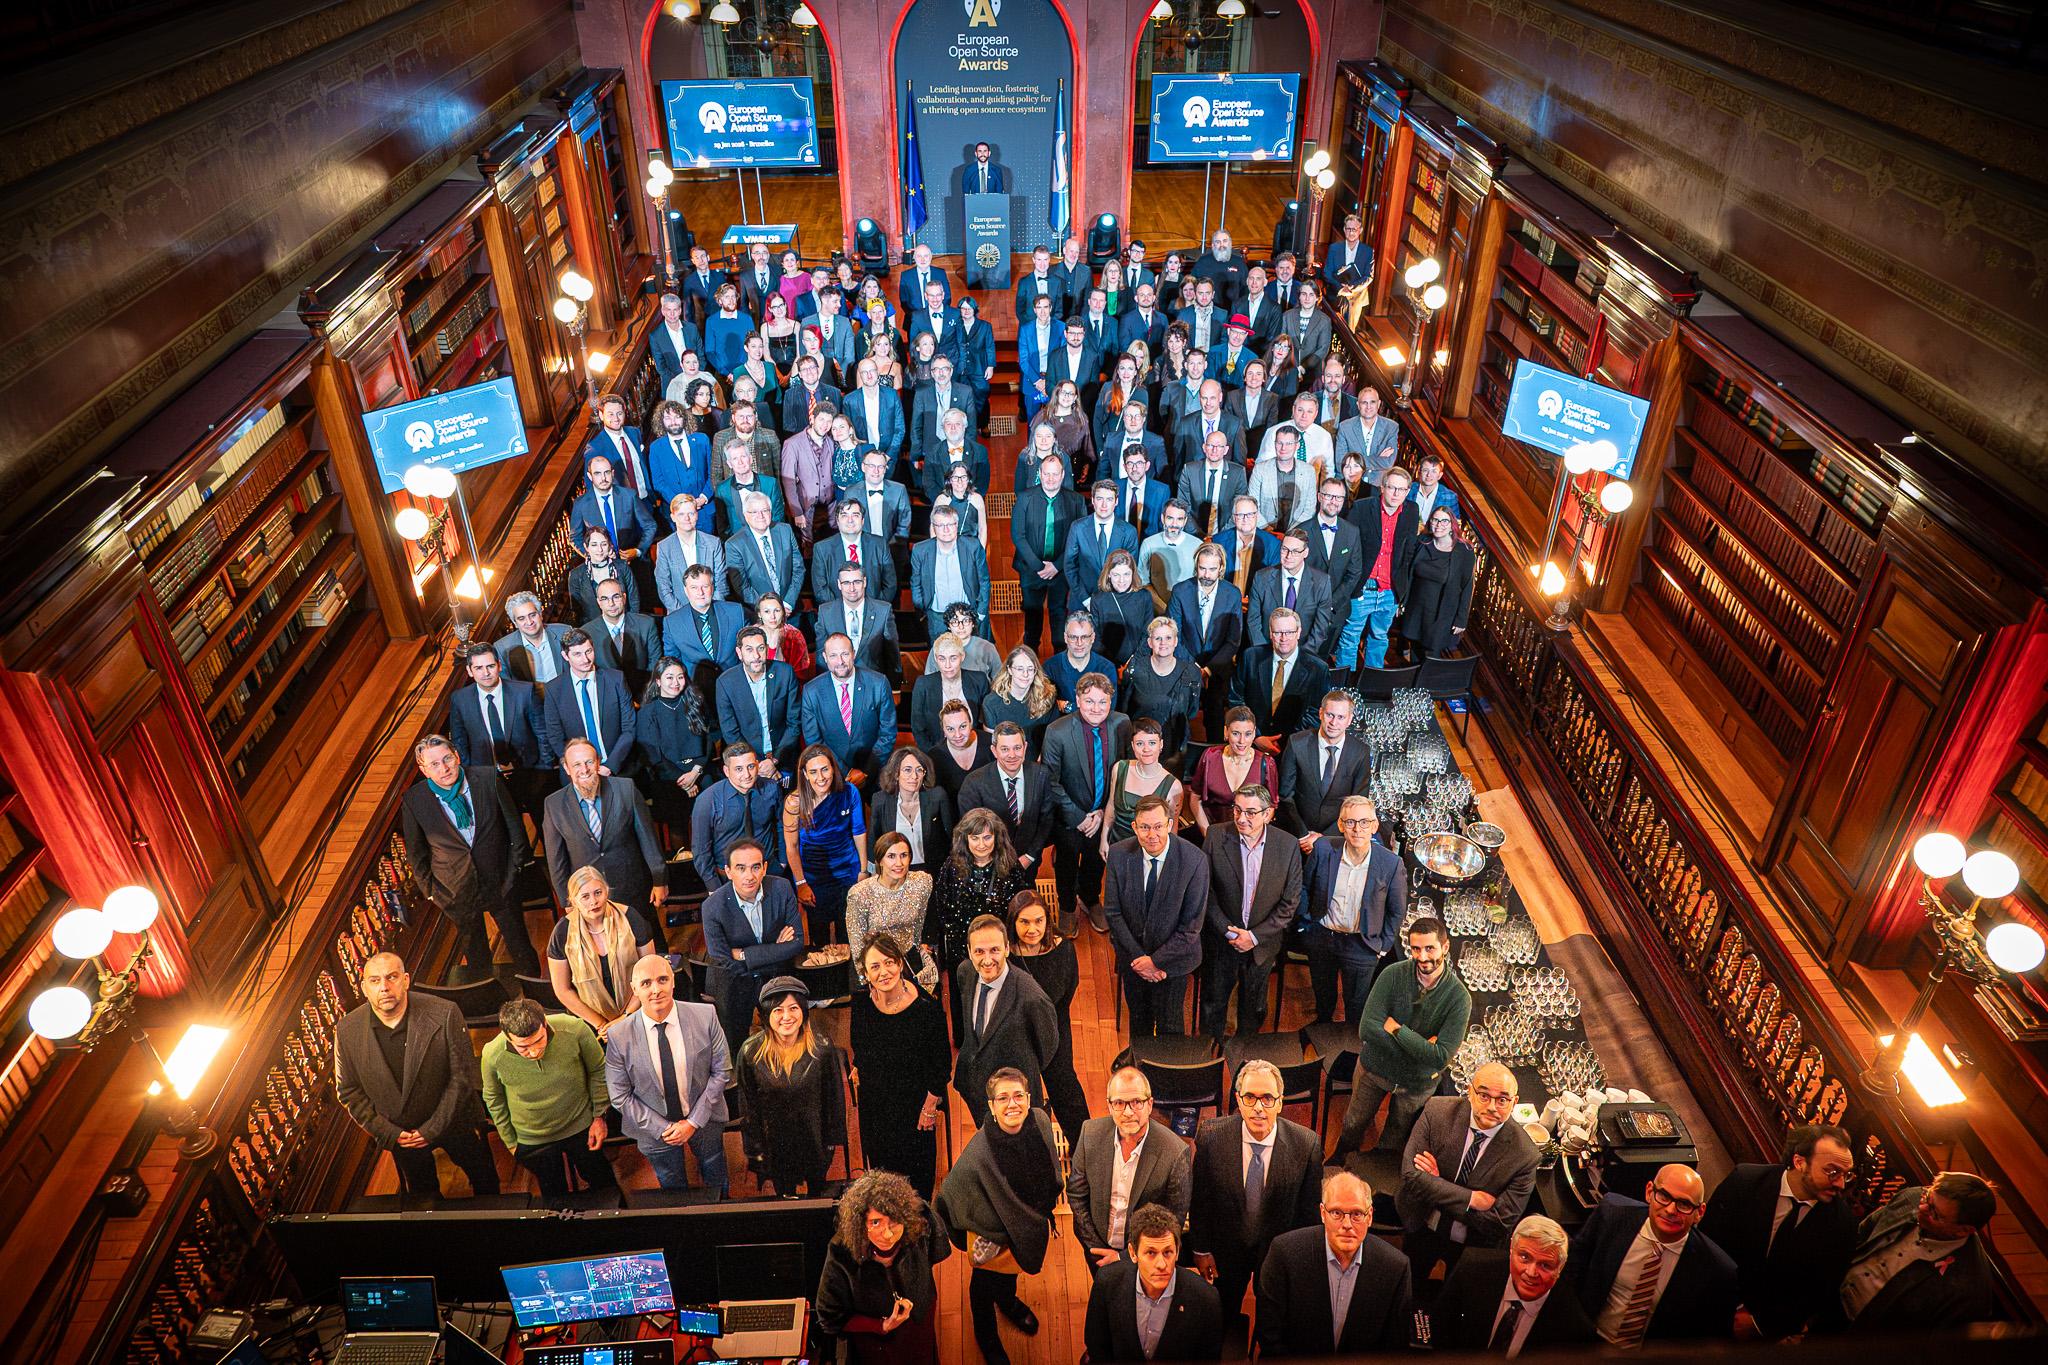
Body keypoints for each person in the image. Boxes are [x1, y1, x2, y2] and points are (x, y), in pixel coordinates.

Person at [335, 952, 500, 1199]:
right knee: (422, 1195)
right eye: (375, 980)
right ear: (364, 988)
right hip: (401, 1134)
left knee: (484, 1179)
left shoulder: (445, 1012)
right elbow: (348, 1091)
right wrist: (390, 1133)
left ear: (406, 980)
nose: (384, 987)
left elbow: (462, 1077)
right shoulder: (347, 1030)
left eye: (392, 977)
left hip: (453, 1120)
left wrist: (431, 1130)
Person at [1186, 1060, 1324, 1351]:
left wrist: (1299, 1264)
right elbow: (1201, 1199)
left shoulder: (1306, 1144)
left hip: (1276, 1256)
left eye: (1267, 1098)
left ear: (1280, 1102)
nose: (1259, 1108)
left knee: (1273, 1325)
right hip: (1225, 1252)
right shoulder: (1211, 1136)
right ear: (1238, 1100)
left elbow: (1308, 1214)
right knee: (1222, 1318)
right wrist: (1201, 1249)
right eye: (1250, 1097)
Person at [936, 1067, 1061, 1365]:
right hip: (996, 1238)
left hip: (1026, 1227)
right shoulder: (979, 1153)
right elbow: (948, 1199)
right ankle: (986, 1335)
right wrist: (990, 1231)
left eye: (1018, 1096)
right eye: (1002, 1098)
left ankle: (1007, 1302)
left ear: (1029, 1099)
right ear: (991, 1107)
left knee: (1010, 1274)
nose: (1012, 1104)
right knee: (984, 1283)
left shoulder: (1041, 1121)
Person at [1698, 1123, 1859, 1340]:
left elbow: (1819, 1293)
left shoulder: (1843, 1224)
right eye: (1832, 1172)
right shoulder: (1745, 1181)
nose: (1840, 1184)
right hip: (1709, 1303)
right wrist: (1730, 1306)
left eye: (1846, 1175)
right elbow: (1708, 1243)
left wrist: (1759, 1324)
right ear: (1800, 1162)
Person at [400, 734, 539, 980]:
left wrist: (512, 872)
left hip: (500, 881)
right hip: (455, 890)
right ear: (423, 770)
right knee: (476, 960)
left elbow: (515, 828)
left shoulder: (488, 778)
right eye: (434, 764)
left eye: (447, 759)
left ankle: (535, 994)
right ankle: (489, 998)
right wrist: (431, 891)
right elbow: (416, 852)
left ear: (457, 756)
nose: (444, 768)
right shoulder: (414, 800)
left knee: (521, 948)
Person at [1336, 915, 1471, 1156]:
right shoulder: (1392, 974)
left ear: (1445, 947)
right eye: (1416, 949)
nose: (1422, 956)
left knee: (1396, 1137)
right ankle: (1342, 1157)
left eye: (1430, 948)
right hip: (1374, 1070)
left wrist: (1398, 1030)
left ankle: (1378, 1173)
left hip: (1416, 1085)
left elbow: (1441, 1057)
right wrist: (1422, 1050)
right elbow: (1367, 1028)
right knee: (1354, 1122)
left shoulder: (1459, 998)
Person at [1567, 1165, 1740, 1346]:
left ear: (1700, 1212)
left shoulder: (1718, 1270)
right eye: (1664, 1196)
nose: (1671, 1210)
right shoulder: (1611, 1215)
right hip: (1585, 1342)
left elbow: (1709, 1341)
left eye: (1684, 1204)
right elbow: (1572, 1272)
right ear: (1649, 1192)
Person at [1399, 1062, 1541, 1281]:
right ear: (1470, 1092)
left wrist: (1436, 1183)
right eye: (1484, 1096)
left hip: (1473, 1243)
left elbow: (1500, 1222)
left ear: (1514, 1102)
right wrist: (1472, 1199)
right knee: (1411, 1282)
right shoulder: (1437, 1111)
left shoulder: (1526, 1156)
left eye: (1502, 1100)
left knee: (1456, 1295)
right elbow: (1411, 1176)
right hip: (1420, 1222)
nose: (1492, 1106)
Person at [603, 954, 731, 1194]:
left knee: (715, 1171)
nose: (656, 990)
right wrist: (662, 1128)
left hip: (704, 1118)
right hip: (652, 1130)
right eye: (646, 983)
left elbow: (721, 1071)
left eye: (662, 980)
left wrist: (692, 1122)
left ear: (673, 981)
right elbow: (619, 1095)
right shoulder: (619, 1036)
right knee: (671, 1185)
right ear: (634, 990)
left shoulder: (706, 1015)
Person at [1254, 1169, 1412, 1357]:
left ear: (1369, 1217)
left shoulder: (1396, 1268)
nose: (1347, 1224)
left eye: (1357, 1214)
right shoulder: (1284, 1254)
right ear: (1323, 1213)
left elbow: (1394, 1348)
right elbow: (1270, 1336)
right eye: (1336, 1213)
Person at [480, 998, 615, 1200]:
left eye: (539, 1040)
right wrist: (511, 1142)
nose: (534, 1051)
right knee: (554, 1196)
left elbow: (598, 1070)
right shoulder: (492, 1054)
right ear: (507, 1037)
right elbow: (493, 1098)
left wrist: (599, 1116)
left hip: (581, 1125)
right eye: (524, 1047)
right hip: (532, 1137)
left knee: (605, 1186)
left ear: (545, 1023)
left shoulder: (575, 1029)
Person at [1832, 1173, 1999, 1334]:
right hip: (1833, 1292)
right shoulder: (1912, 1197)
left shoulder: (1968, 1289)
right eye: (1927, 1197)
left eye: (1934, 1213)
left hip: (1858, 1335)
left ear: (1963, 1231)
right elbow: (1864, 1232)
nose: (1922, 1207)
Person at [849, 933, 951, 1197]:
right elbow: (859, 1047)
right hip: (876, 1110)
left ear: (900, 963)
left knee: (918, 1192)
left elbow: (941, 1065)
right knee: (883, 1188)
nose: (883, 972)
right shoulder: (860, 1005)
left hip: (915, 1110)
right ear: (866, 974)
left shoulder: (927, 1009)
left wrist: (929, 1108)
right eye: (875, 966)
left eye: (889, 963)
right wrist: (859, 1067)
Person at [815, 1169, 952, 1364]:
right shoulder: (841, 1251)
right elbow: (829, 1317)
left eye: (894, 1221)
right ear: (860, 1223)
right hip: (873, 1345)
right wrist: (882, 1325)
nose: (887, 1235)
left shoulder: (920, 1228)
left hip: (917, 1330)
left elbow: (936, 1253)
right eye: (875, 1222)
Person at [1067, 1068, 1194, 1276]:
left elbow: (1173, 1222)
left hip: (1144, 1256)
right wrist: (1096, 1248)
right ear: (1109, 1105)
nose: (1128, 1112)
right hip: (1096, 1250)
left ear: (1150, 1104)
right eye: (1119, 1103)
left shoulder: (1175, 1153)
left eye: (1136, 1102)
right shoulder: (1089, 1133)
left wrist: (1124, 1257)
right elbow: (1076, 1195)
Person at [1200, 782, 1302, 1039]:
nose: (1241, 818)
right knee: (1213, 1005)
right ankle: (1210, 1052)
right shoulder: (1216, 836)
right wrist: (1229, 932)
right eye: (1237, 810)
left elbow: (1289, 902)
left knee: (1253, 1008)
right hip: (1223, 940)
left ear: (1268, 814)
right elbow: (1206, 892)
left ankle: (1244, 1052)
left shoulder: (1287, 845)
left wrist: (1254, 937)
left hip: (1262, 944)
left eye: (1250, 812)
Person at [1103, 797, 1205, 1037]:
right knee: (1139, 1025)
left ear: (1169, 824)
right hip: (1134, 960)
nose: (1152, 835)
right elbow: (1113, 913)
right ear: (1134, 827)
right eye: (1145, 827)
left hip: (1174, 962)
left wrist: (1155, 962)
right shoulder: (1118, 854)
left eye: (1158, 826)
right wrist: (1140, 960)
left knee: (1171, 1028)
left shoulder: (1194, 860)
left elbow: (1191, 927)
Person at [1297, 796, 1404, 1025]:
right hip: (1323, 937)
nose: (1357, 829)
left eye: (1364, 822)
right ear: (1340, 825)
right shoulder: (1323, 848)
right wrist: (1306, 923)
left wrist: (1382, 946)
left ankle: (1350, 1043)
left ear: (1374, 826)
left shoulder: (1391, 863)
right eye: (1350, 822)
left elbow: (1396, 911)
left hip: (1362, 944)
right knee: (1323, 997)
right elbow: (1304, 887)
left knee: (1356, 1007)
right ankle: (1323, 1034)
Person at [541, 739, 666, 934]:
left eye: (589, 762)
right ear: (567, 769)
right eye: (576, 764)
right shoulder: (553, 805)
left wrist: (660, 880)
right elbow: (556, 860)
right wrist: (567, 900)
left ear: (598, 762)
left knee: (649, 941)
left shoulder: (625, 789)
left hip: (633, 887)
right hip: (588, 898)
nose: (584, 769)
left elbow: (648, 839)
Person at [735, 976, 845, 1196]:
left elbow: (834, 1101)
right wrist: (754, 1150)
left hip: (814, 1143)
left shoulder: (822, 1048)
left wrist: (831, 1144)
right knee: (786, 1198)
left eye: (793, 1008)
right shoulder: (750, 1052)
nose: (787, 1017)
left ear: (803, 1010)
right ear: (767, 1014)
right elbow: (748, 1108)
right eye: (778, 1010)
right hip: (775, 1148)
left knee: (817, 1197)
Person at [1429, 1215, 1597, 1356]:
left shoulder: (1574, 1330)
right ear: (1511, 1249)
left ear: (1559, 1269)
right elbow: (1439, 1330)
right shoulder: (1471, 1269)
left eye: (1545, 1265)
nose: (1531, 1272)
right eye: (1524, 1257)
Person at [701, 837, 807, 1058]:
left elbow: (797, 942)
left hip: (775, 974)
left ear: (764, 868)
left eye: (755, 867)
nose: (749, 876)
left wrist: (744, 954)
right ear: (728, 872)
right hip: (733, 979)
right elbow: (722, 959)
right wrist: (774, 949)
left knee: (790, 1038)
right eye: (741, 868)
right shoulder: (712, 906)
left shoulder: (782, 888)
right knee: (735, 1047)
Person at [950, 915, 1059, 1128]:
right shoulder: (966, 972)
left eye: (994, 950)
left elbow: (1047, 1049)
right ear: (969, 952)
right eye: (979, 951)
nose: (987, 960)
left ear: (1007, 949)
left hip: (1013, 1103)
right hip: (976, 1090)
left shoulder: (1032, 997)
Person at [1043, 673, 1128, 933]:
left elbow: (1124, 771)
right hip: (1069, 816)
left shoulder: (1122, 724)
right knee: (1067, 862)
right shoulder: (1057, 731)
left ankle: (1090, 899)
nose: (1096, 708)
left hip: (1104, 812)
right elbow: (1050, 780)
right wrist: (1079, 817)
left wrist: (1103, 813)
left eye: (1103, 702)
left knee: (1096, 860)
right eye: (1089, 701)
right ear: (1078, 700)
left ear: (1111, 701)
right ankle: (1067, 906)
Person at [1084, 1203, 1223, 1362]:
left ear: (1177, 1252)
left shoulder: (1205, 1298)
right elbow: (1097, 1346)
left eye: (1167, 1252)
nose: (1161, 1264)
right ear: (1133, 1253)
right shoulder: (1107, 1282)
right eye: (1151, 1253)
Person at [1005, 889, 1089, 1143]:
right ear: (1013, 922)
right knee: (1021, 1092)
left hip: (1054, 1026)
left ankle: (1083, 1147)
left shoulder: (1064, 950)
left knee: (1065, 1087)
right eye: (1024, 922)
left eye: (1038, 921)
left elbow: (1068, 991)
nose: (1032, 929)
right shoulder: (1006, 955)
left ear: (1047, 920)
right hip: (1017, 1032)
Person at [546, 866, 658, 1041]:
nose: (594, 901)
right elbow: (562, 990)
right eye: (585, 896)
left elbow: (650, 973)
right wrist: (601, 1025)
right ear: (573, 900)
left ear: (607, 891)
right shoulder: (562, 933)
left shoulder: (631, 918)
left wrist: (626, 1017)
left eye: (598, 893)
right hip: (592, 1024)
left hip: (637, 1012)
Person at [447, 642, 553, 818]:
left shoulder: (524, 692)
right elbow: (459, 741)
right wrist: (472, 775)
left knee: (543, 823)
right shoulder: (460, 699)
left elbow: (543, 734)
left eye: (490, 666)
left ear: (499, 666)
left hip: (529, 773)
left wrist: (543, 771)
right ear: (469, 671)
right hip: (487, 779)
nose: (486, 673)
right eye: (479, 668)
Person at [931, 809, 1035, 980]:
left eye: (987, 837)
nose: (981, 844)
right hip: (962, 951)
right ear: (965, 838)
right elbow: (942, 908)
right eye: (975, 838)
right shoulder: (951, 866)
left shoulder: (1011, 866)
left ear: (997, 837)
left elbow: (1020, 909)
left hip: (999, 951)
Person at [783, 743, 868, 943]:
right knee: (819, 938)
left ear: (833, 769)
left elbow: (859, 832)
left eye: (825, 769)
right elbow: (791, 847)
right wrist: (801, 883)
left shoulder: (849, 792)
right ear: (805, 774)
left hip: (848, 871)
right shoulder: (794, 802)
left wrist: (863, 870)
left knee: (850, 935)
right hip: (814, 877)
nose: (820, 777)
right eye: (813, 772)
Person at [1168, 543, 1246, 740]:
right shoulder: (1180, 591)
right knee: (1178, 720)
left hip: (1218, 668)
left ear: (1221, 568)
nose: (1206, 574)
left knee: (1216, 718)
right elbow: (1172, 635)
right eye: (1202, 568)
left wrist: (1208, 670)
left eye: (1212, 569)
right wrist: (1194, 668)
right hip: (1185, 664)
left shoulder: (1232, 594)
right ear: (1196, 566)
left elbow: (1233, 640)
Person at [958, 723, 1054, 880]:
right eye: (1005, 749)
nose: (1012, 755)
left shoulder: (1041, 775)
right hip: (988, 864)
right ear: (994, 750)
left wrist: (1030, 856)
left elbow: (1046, 820)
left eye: (1017, 748)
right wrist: (992, 861)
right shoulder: (974, 782)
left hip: (1028, 862)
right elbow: (970, 829)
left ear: (1025, 747)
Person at [1010, 453, 1085, 652]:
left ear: (1062, 475)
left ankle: (1059, 661)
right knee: (1032, 620)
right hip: (1031, 569)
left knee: (1059, 616)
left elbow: (1078, 539)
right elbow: (1018, 535)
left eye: (1055, 474)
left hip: (1061, 571)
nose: (1050, 479)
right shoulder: (1024, 498)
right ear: (1040, 474)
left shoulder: (1076, 501)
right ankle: (1030, 660)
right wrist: (1039, 566)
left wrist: (1056, 566)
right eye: (1046, 474)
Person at [848, 830, 939, 990]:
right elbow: (857, 945)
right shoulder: (860, 893)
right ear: (879, 860)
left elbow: (920, 924)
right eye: (891, 856)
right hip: (876, 965)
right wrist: (866, 980)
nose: (899, 863)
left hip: (909, 961)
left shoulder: (922, 883)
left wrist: (920, 950)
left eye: (904, 855)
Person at [800, 634, 897, 786]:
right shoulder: (811, 691)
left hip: (875, 773)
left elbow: (888, 732)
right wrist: (846, 772)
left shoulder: (878, 683)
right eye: (833, 655)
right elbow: (814, 740)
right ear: (825, 657)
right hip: (833, 776)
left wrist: (866, 772)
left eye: (845, 654)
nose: (840, 661)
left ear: (853, 653)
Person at [540, 629, 637, 776]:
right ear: (565, 656)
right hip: (579, 774)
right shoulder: (554, 689)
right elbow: (555, 737)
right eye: (577, 654)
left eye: (588, 651)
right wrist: (580, 768)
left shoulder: (616, 680)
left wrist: (610, 765)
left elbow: (629, 727)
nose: (585, 659)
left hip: (618, 767)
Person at [692, 737, 786, 886]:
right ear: (726, 771)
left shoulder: (771, 788)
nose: (747, 775)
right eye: (739, 769)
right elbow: (701, 848)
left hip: (768, 869)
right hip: (728, 877)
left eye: (751, 766)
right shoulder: (707, 800)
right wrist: (713, 886)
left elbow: (783, 826)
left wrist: (783, 861)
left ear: (757, 764)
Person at [1279, 692, 1370, 846]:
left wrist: (1324, 838)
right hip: (1297, 836)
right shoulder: (1296, 743)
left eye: (1341, 717)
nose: (1334, 722)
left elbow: (1358, 803)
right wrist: (1303, 835)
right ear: (1321, 713)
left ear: (1349, 720)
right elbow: (1285, 795)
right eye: (1330, 715)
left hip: (1335, 839)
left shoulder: (1361, 752)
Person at [637, 658, 712, 840]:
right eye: (669, 677)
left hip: (699, 770)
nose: (675, 683)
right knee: (674, 805)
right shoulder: (647, 712)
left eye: (680, 677)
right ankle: (682, 854)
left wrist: (695, 772)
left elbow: (709, 741)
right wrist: (684, 781)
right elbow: (653, 756)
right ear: (658, 681)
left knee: (712, 796)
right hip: (668, 776)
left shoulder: (695, 703)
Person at [715, 626, 802, 775]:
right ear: (739, 653)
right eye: (749, 649)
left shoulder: (785, 673)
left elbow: (794, 722)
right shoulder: (726, 682)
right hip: (747, 763)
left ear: (767, 649)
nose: (756, 655)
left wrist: (774, 760)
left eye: (760, 648)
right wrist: (754, 763)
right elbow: (730, 731)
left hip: (784, 756)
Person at [1232, 608, 1330, 739]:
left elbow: (1317, 712)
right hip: (1251, 740)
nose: (1284, 638)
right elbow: (1236, 699)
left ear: (1298, 633)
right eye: (1278, 632)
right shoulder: (1250, 657)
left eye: (1289, 632)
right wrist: (1255, 736)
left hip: (1294, 743)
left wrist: (1288, 742)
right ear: (1270, 633)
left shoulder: (1317, 668)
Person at [1189, 708, 1279, 838]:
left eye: (1248, 734)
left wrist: (1252, 836)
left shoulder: (1266, 763)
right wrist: (1209, 835)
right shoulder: (1210, 756)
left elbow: (1271, 806)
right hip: (1213, 831)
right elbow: (1195, 798)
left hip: (1250, 836)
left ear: (1254, 733)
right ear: (1226, 732)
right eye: (1236, 733)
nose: (1242, 741)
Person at [1246, 529, 1335, 657]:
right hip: (1266, 649)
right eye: (1285, 549)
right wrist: (1263, 653)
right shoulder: (1261, 578)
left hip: (1303, 652)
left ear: (1305, 553)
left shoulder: (1321, 582)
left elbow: (1320, 628)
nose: (1288, 556)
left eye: (1295, 551)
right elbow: (1253, 621)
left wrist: (1300, 657)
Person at [1099, 719, 1185, 849]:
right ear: (1133, 746)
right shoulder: (1119, 768)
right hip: (1116, 845)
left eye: (1152, 743)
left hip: (1150, 850)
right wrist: (1103, 840)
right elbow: (1111, 806)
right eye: (1140, 743)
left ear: (1161, 745)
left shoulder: (1173, 786)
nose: (1146, 749)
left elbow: (1172, 829)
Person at [1403, 506, 1476, 658]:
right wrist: (1403, 600)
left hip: (1441, 613)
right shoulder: (1423, 541)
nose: (1438, 525)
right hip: (1417, 609)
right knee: (1415, 650)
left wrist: (1461, 619)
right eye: (1435, 520)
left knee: (1431, 655)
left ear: (1452, 525)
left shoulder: (1464, 551)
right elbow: (1409, 572)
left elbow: (1467, 586)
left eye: (1444, 521)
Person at [868, 752, 953, 882]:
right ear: (896, 774)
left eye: (919, 770)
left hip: (933, 873)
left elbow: (951, 836)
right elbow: (874, 839)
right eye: (907, 770)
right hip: (895, 872)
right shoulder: (880, 800)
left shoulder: (937, 796)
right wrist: (871, 873)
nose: (914, 776)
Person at [911, 505, 991, 642]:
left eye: (950, 524)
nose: (946, 530)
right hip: (937, 617)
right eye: (940, 525)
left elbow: (984, 581)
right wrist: (921, 604)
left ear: (957, 525)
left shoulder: (973, 547)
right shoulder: (920, 550)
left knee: (974, 653)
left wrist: (981, 612)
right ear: (933, 527)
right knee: (941, 653)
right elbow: (915, 582)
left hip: (969, 614)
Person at [819, 562, 902, 689]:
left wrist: (895, 688)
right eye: (846, 583)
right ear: (839, 584)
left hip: (874, 685)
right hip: (838, 686)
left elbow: (893, 655)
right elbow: (821, 656)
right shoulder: (826, 612)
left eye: (857, 582)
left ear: (865, 582)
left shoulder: (883, 611)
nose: (852, 588)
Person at [910, 634, 991, 755]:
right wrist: (933, 756)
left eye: (953, 658)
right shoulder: (923, 684)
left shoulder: (979, 680)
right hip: (936, 752)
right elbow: (918, 728)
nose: (947, 665)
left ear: (962, 656)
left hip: (974, 750)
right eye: (942, 658)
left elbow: (985, 723)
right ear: (936, 658)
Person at [586, 576, 663, 696]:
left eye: (616, 597)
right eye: (605, 599)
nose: (611, 603)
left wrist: (646, 694)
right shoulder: (587, 632)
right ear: (598, 602)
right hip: (607, 695)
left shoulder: (646, 624)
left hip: (644, 692)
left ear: (624, 598)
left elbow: (655, 663)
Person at [1087, 551, 1155, 669]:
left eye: (1126, 574)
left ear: (1133, 573)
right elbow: (1095, 636)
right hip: (1108, 663)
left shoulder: (1144, 596)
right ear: (1108, 574)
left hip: (1139, 662)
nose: (1121, 580)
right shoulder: (1098, 599)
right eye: (1116, 575)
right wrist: (1110, 664)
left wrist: (1135, 660)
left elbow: (1148, 632)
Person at [1042, 615, 1118, 714]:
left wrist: (1067, 706)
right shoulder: (1049, 667)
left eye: (1084, 637)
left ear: (1093, 638)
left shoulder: (1107, 669)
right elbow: (1045, 708)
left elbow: (1108, 709)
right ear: (1065, 638)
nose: (1079, 643)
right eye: (1073, 637)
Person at [566, 526, 640, 626]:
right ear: (586, 547)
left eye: (604, 544)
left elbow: (634, 600)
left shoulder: (622, 567)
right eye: (594, 545)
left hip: (625, 625)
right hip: (593, 630)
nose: (599, 549)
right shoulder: (576, 575)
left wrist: (632, 627)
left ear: (610, 546)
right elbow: (577, 612)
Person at [1333, 385, 1401, 490]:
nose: (1368, 406)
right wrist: (1377, 459)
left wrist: (1354, 463)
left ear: (1379, 404)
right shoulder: (1345, 427)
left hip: (1378, 486)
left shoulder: (1391, 427)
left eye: (1372, 402)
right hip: (1349, 484)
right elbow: (1340, 463)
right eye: (1364, 402)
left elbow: (1388, 463)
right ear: (1358, 405)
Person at [931, 698, 994, 804]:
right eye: (950, 729)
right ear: (943, 730)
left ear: (971, 724)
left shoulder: (991, 743)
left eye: (963, 726)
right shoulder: (935, 756)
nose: (958, 735)